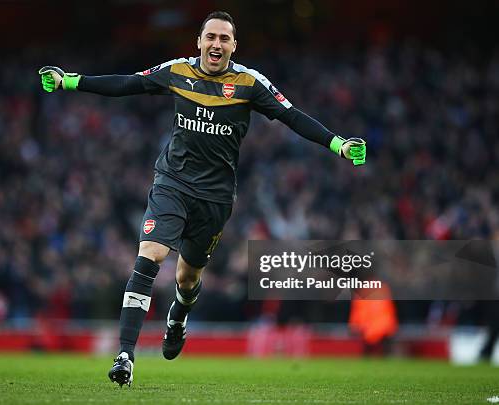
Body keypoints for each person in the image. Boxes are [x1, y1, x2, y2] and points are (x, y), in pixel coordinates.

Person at [38, 10, 366, 386]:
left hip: (215, 198)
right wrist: (69, 81)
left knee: (189, 277)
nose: (216, 44)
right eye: (211, 37)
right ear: (199, 41)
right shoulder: (178, 71)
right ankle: (125, 355)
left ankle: (178, 316)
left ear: (233, 46)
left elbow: (293, 117)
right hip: (172, 184)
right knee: (151, 254)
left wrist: (337, 143)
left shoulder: (249, 83)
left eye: (224, 39)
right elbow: (128, 84)